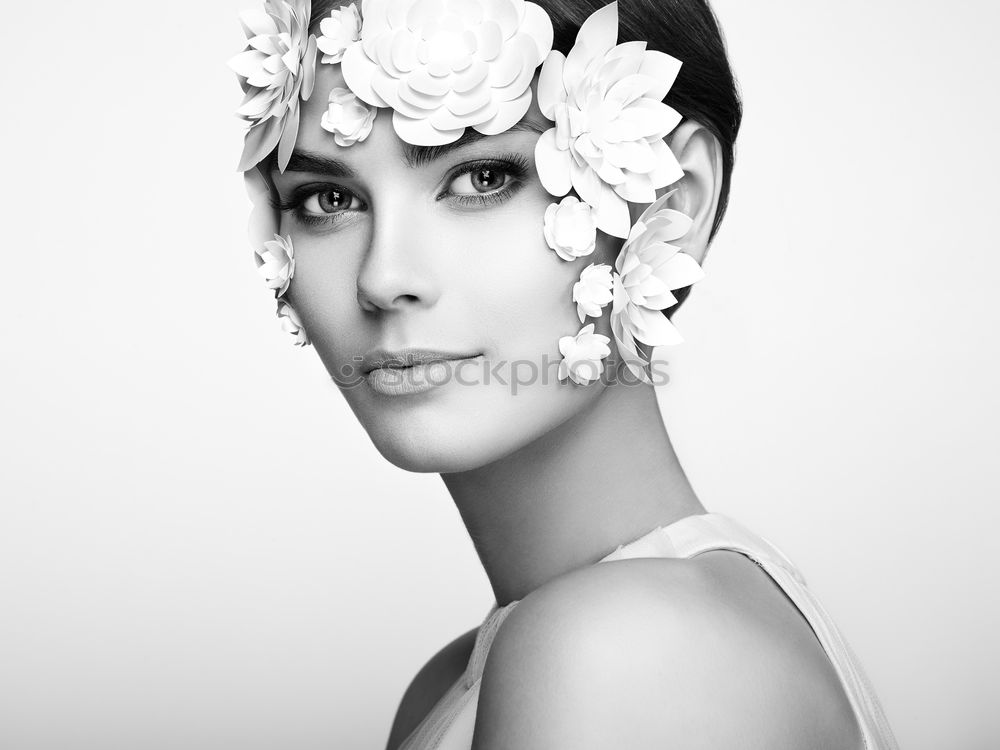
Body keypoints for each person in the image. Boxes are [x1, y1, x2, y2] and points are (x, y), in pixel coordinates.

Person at [230, 0, 900, 747]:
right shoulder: (466, 676)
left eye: (482, 177)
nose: (384, 278)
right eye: (329, 200)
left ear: (673, 199)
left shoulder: (618, 655)